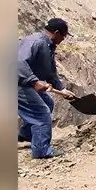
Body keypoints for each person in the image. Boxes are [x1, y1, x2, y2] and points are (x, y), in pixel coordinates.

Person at [17, 18, 76, 159]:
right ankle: (41, 151)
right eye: (64, 35)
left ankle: (26, 135)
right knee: (41, 113)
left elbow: (50, 72)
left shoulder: (48, 46)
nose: (64, 39)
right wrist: (34, 81)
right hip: (17, 83)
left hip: (24, 83)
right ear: (56, 33)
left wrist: (62, 89)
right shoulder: (37, 42)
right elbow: (18, 63)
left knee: (48, 103)